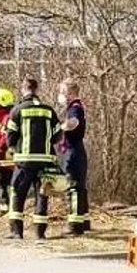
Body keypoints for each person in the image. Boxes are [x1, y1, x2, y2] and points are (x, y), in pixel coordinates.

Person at [5, 78, 60, 239]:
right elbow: (58, 135)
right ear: (37, 90)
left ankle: (16, 232)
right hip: (45, 161)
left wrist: (14, 149)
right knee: (42, 195)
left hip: (24, 161)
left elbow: (10, 137)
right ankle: (40, 233)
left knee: (17, 194)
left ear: (24, 89)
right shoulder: (49, 111)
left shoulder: (17, 110)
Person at [56, 79, 91, 235]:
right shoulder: (75, 107)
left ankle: (75, 226)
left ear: (69, 93)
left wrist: (59, 128)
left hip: (73, 152)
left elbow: (74, 122)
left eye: (63, 92)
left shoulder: (75, 108)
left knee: (74, 188)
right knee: (80, 188)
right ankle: (84, 222)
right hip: (75, 151)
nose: (61, 95)